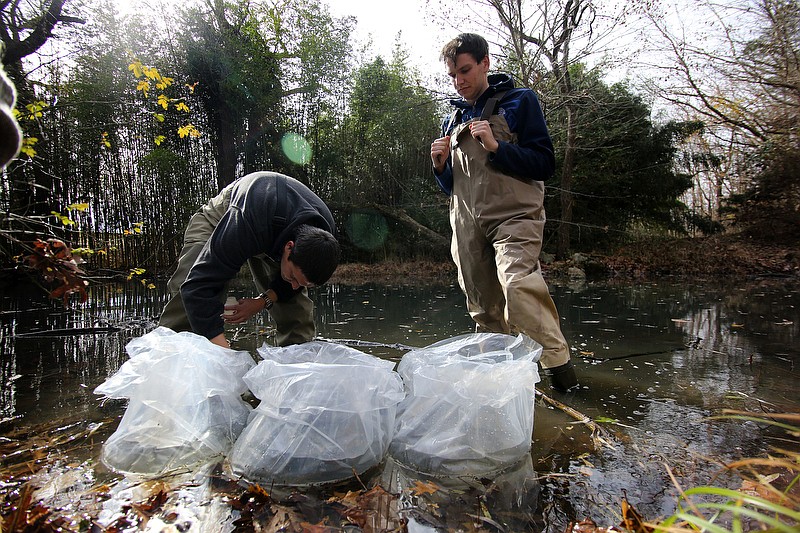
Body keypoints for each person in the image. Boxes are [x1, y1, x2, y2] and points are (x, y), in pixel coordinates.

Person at [430, 33, 578, 392]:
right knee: (482, 307)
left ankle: (564, 378)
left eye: (465, 71)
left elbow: (544, 163)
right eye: (452, 75)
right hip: (466, 222)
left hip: (514, 216)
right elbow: (455, 187)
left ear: (485, 63)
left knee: (518, 287)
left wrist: (496, 146)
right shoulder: (453, 119)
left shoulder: (520, 101)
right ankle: (501, 383)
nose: (459, 81)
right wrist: (440, 168)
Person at [159, 171, 340, 349]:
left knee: (296, 312)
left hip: (272, 234)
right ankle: (167, 357)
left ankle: (296, 369)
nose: (295, 286)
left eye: (302, 283)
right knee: (188, 294)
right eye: (293, 277)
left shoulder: (323, 239)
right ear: (289, 247)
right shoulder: (248, 220)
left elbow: (295, 282)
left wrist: (262, 302)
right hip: (224, 218)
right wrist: (225, 355)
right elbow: (198, 287)